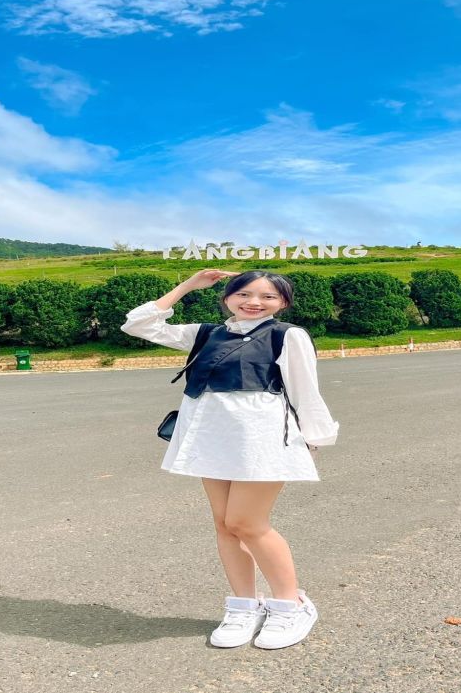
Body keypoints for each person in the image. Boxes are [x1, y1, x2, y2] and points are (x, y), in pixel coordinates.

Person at [120, 269, 340, 650]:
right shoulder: (206, 334)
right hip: (212, 440)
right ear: (227, 298)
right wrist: (188, 285)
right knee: (225, 525)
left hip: (262, 442)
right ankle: (244, 606)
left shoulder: (287, 336)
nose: (254, 302)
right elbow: (138, 324)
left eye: (268, 297)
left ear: (283, 303)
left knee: (247, 523)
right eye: (244, 294)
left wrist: (312, 439)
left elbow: (306, 391)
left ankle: (290, 605)